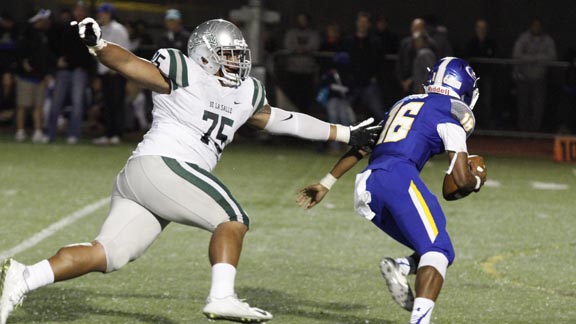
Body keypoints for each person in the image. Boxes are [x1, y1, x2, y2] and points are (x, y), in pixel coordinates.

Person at [0, 17, 381, 324]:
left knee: (108, 255)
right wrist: (99, 46)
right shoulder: (182, 71)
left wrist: (347, 132)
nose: (235, 62)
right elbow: (132, 65)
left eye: (237, 55)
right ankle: (222, 296)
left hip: (147, 180)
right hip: (163, 164)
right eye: (227, 55)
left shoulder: (246, 92)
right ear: (203, 55)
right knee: (231, 217)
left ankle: (23, 277)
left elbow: (288, 121)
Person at [297, 57, 487, 324]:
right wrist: (477, 179)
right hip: (398, 178)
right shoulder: (451, 113)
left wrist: (327, 182)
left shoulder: (405, 102)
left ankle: (401, 267)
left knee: (439, 250)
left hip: (369, 185)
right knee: (438, 250)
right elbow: (461, 179)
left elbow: (364, 144)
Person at [46, 1, 96, 144]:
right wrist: (56, 61)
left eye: (82, 10)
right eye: (77, 10)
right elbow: (53, 46)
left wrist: (89, 71)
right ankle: (50, 133)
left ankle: (74, 134)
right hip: (64, 70)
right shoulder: (65, 27)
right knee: (56, 102)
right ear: (74, 12)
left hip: (80, 70)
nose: (79, 13)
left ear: (86, 13)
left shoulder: (91, 28)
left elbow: (92, 52)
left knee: (77, 103)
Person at [13, 9, 55, 143]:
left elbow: (45, 57)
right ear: (39, 20)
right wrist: (24, 64)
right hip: (26, 76)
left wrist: (47, 73)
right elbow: (20, 53)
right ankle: (20, 131)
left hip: (40, 77)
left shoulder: (44, 35)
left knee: (38, 106)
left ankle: (38, 132)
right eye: (45, 20)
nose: (48, 22)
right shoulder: (26, 33)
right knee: (23, 105)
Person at [92, 3, 130, 145]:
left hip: (116, 73)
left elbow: (125, 51)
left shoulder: (119, 29)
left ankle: (117, 134)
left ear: (109, 14)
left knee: (117, 104)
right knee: (107, 105)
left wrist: (115, 68)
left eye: (102, 13)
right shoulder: (100, 29)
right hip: (104, 73)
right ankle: (109, 134)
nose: (99, 15)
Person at [512, 18, 556, 132]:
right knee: (523, 105)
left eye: (538, 26)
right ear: (531, 26)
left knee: (538, 106)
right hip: (524, 78)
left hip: (540, 79)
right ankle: (523, 131)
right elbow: (517, 55)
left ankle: (534, 131)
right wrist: (537, 58)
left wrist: (531, 58)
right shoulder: (523, 38)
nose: (536, 28)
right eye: (534, 25)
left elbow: (552, 56)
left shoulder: (547, 40)